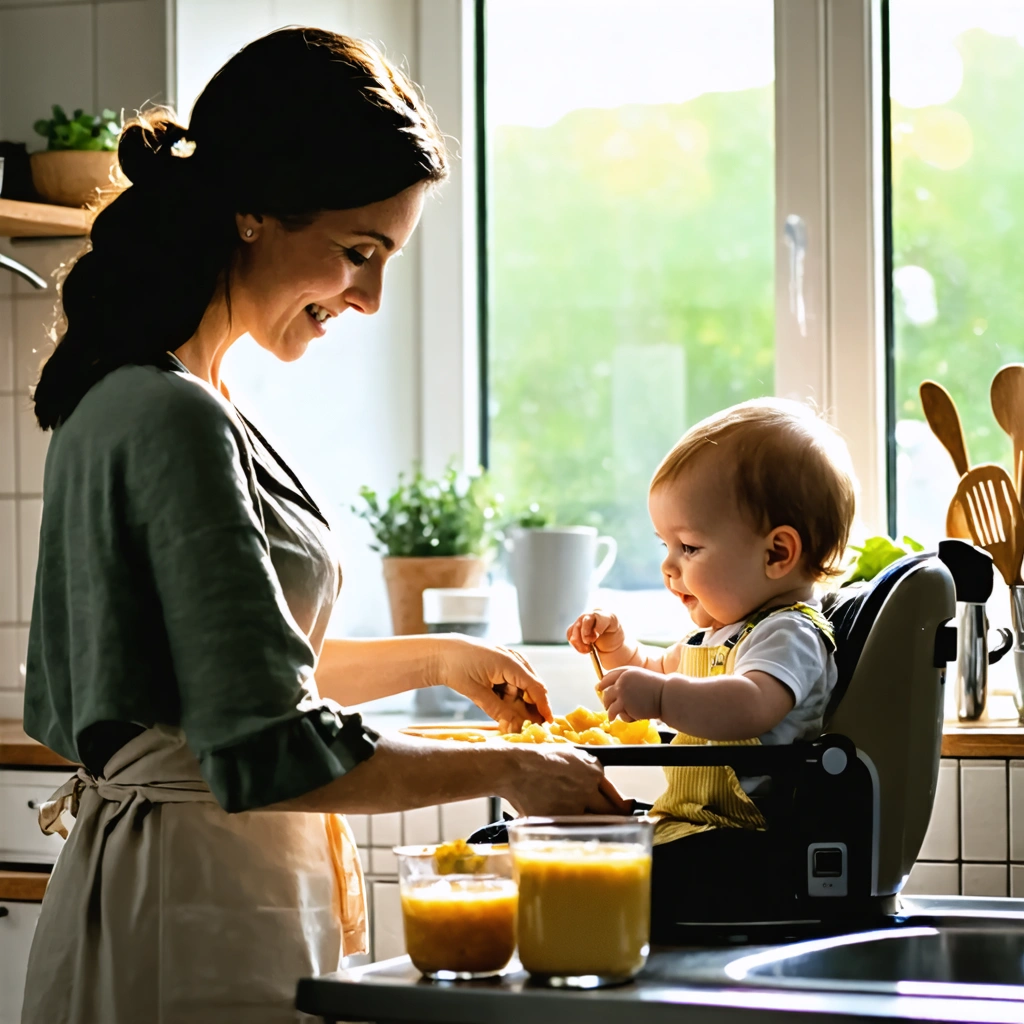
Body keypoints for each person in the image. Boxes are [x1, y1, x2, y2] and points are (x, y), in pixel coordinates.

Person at [20, 28, 625, 1024]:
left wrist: (436, 658)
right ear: (252, 212)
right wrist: (519, 766)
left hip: (189, 881)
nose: (372, 298)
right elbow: (267, 745)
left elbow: (228, 675)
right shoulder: (174, 414)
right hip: (195, 901)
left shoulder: (149, 393)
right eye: (358, 252)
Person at [567, 398, 857, 923]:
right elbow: (656, 670)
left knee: (594, 876)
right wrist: (616, 650)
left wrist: (657, 697)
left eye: (690, 547)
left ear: (776, 554)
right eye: (666, 545)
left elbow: (750, 705)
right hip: (696, 828)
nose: (668, 566)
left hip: (747, 849)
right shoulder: (721, 636)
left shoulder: (788, 632)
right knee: (533, 845)